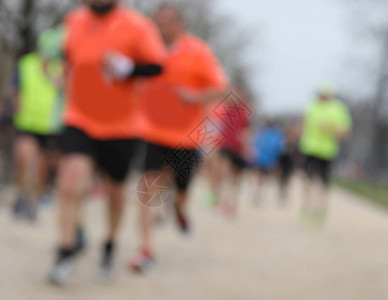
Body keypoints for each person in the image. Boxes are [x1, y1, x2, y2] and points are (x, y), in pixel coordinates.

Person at [48, 0, 166, 285]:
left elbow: (158, 66)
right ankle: (65, 252)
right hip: (79, 117)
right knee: (70, 182)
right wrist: (60, 79)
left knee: (115, 193)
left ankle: (109, 245)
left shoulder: (138, 25)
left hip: (122, 125)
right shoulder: (73, 20)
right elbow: (68, 58)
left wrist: (128, 69)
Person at [129, 4, 228, 272]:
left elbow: (221, 88)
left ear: (180, 24)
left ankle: (180, 209)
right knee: (148, 187)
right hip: (152, 131)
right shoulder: (148, 51)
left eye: (168, 22)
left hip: (187, 137)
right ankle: (146, 249)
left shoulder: (198, 51)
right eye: (158, 22)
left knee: (181, 191)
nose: (162, 28)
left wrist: (195, 97)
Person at [11, 25, 64, 222]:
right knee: (26, 158)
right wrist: (16, 102)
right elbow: (15, 88)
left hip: (51, 126)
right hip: (27, 123)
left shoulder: (60, 66)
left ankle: (36, 197)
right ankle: (24, 198)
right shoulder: (26, 64)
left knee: (43, 166)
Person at [299, 84, 352, 222]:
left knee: (324, 182)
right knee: (307, 179)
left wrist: (330, 129)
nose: (321, 97)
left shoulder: (339, 109)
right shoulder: (311, 106)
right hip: (309, 148)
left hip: (327, 151)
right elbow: (304, 124)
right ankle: (306, 207)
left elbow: (345, 133)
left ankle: (320, 210)